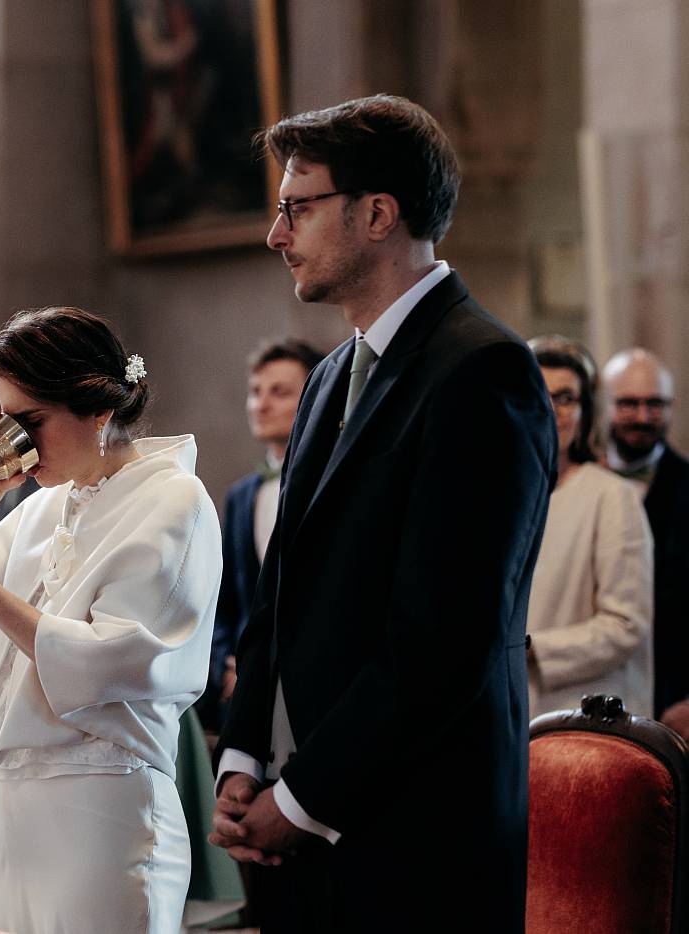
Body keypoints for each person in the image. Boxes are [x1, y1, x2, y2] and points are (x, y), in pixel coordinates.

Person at [209, 96, 557, 933]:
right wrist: (244, 758)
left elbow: (446, 637)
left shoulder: (483, 371)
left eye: (298, 207)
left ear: (376, 215)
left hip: (422, 835)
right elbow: (280, 589)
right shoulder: (332, 375)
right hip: (300, 825)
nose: (276, 234)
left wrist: (304, 797)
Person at [0, 306, 221, 934]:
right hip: (14, 811)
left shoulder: (173, 500)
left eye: (31, 422)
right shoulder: (41, 508)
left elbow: (105, 663)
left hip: (104, 806)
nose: (21, 445)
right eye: (8, 422)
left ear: (98, 408)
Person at [198, 338, 323, 734]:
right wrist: (225, 664)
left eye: (279, 392)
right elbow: (223, 601)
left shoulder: (332, 484)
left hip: (316, 686)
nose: (261, 404)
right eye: (255, 392)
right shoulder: (242, 496)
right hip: (243, 693)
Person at [526, 336, 653, 718]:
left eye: (566, 398)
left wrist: (530, 647)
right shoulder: (499, 495)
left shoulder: (612, 496)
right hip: (509, 709)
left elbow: (625, 624)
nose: (553, 409)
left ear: (585, 412)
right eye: (540, 392)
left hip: (585, 715)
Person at [602, 348, 689, 731]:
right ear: (604, 403)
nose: (642, 417)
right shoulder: (572, 482)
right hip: (589, 686)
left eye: (655, 404)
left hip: (671, 696)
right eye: (628, 403)